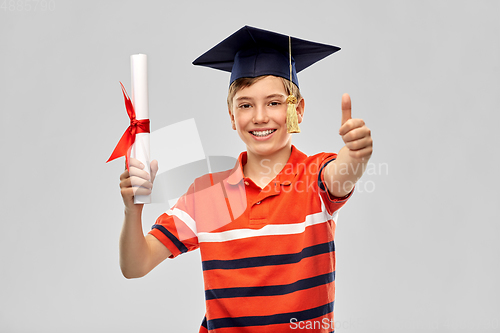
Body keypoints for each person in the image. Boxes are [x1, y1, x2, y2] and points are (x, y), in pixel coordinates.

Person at [118, 26, 372, 332]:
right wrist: (133, 212)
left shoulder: (315, 177)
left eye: (274, 103)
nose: (260, 116)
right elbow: (135, 265)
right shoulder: (206, 195)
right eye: (245, 104)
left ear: (298, 110)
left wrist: (356, 154)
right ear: (231, 115)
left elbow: (342, 174)